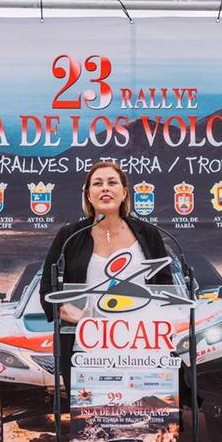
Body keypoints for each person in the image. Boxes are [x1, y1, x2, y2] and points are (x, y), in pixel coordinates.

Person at [39, 161, 173, 393]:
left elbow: (164, 287)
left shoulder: (149, 234)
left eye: (112, 183)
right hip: (86, 348)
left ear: (124, 193)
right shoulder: (69, 237)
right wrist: (81, 317)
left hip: (143, 345)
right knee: (94, 423)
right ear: (89, 196)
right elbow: (48, 292)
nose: (105, 189)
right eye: (97, 184)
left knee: (147, 423)